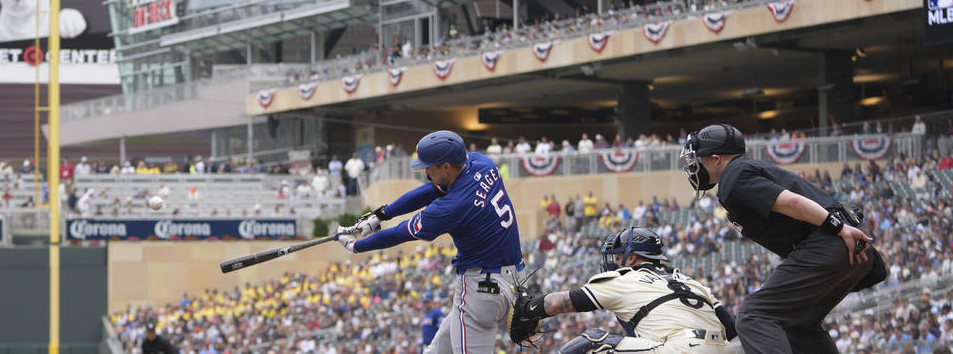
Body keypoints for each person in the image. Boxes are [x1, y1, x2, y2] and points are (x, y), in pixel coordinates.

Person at [681, 124, 887, 354]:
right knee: (797, 323)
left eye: (699, 158)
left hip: (832, 241)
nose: (695, 165)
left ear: (716, 158)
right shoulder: (745, 170)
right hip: (846, 246)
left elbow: (792, 202)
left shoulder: (733, 176)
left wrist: (837, 227)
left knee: (753, 314)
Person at [337, 130, 524, 353]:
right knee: (437, 350)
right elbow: (431, 190)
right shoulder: (481, 163)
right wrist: (382, 214)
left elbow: (399, 233)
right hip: (514, 279)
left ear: (446, 166)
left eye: (430, 166)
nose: (426, 171)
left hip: (480, 288)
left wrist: (356, 246)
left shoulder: (451, 207)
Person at [510, 227, 736, 353]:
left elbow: (559, 302)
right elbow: (733, 330)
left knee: (593, 341)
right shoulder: (692, 283)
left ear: (633, 257)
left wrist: (529, 308)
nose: (615, 262)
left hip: (680, 350)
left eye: (618, 257)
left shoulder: (627, 277)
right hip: (724, 350)